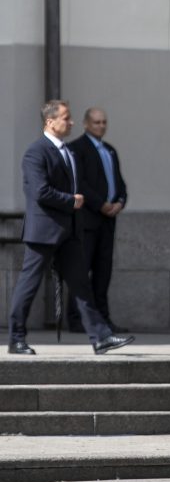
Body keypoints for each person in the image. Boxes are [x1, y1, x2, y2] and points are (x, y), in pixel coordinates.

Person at [8, 99, 134, 356]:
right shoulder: (37, 152)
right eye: (66, 118)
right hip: (44, 231)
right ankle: (16, 338)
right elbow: (40, 191)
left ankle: (100, 337)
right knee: (29, 284)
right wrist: (71, 201)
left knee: (81, 286)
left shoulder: (69, 153)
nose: (71, 122)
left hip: (69, 232)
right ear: (50, 121)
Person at [66, 107, 128, 333]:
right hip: (87, 220)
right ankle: (76, 319)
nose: (101, 126)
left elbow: (120, 183)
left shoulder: (110, 150)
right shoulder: (77, 149)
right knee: (81, 270)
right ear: (86, 124)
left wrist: (120, 201)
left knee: (104, 271)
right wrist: (99, 203)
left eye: (104, 122)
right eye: (96, 122)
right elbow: (79, 183)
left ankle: (103, 319)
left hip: (107, 221)